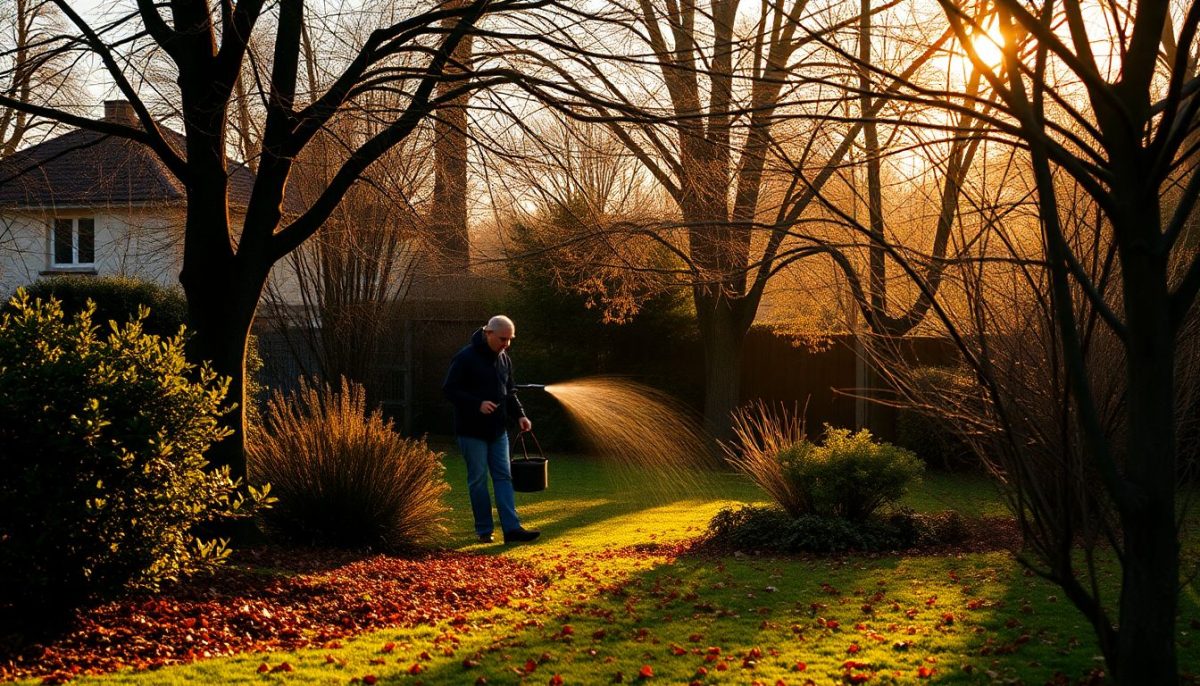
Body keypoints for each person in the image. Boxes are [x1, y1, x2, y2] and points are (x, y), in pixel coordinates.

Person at [443, 315, 540, 544]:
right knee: (478, 480)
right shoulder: (465, 357)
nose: (506, 344)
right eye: (502, 339)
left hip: (498, 431)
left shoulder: (504, 359)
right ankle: (484, 531)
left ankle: (512, 530)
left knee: (504, 477)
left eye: (510, 340)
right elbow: (449, 390)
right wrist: (477, 403)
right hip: (471, 431)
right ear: (488, 333)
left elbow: (510, 391)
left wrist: (521, 415)